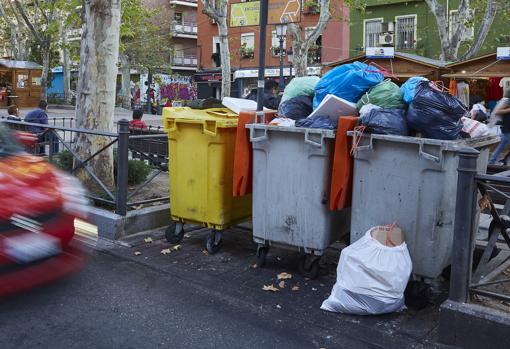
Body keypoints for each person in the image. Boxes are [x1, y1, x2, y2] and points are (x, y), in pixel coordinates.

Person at [489, 90, 510, 165]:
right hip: (507, 127)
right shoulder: (508, 101)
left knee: (503, 144)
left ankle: (503, 160)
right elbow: (498, 111)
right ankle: (492, 161)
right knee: (502, 145)